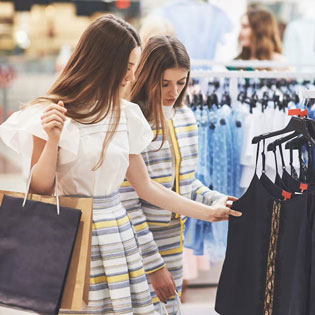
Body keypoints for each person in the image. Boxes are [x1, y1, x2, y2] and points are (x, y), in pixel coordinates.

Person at [0, 15, 241, 315]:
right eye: (127, 67)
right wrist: (51, 140)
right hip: (72, 229)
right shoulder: (52, 112)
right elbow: (40, 189)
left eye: (133, 68)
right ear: (103, 61)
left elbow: (147, 187)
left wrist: (210, 213)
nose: (130, 77)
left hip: (118, 234)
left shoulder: (125, 115)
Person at [120, 35, 237, 313]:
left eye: (181, 82)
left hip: (175, 238)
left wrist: (216, 200)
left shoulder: (185, 117)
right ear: (146, 76)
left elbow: (186, 182)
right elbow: (129, 202)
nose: (174, 91)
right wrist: (153, 264)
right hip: (139, 241)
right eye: (164, 83)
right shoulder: (133, 121)